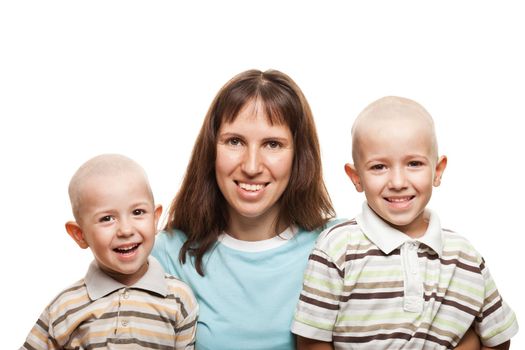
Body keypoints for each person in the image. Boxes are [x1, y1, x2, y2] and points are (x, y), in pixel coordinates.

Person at [292, 96, 518, 349]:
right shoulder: (336, 248)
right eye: (379, 167)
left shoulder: (465, 257)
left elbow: (498, 337)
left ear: (438, 170)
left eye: (414, 164)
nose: (398, 182)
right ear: (356, 177)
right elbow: (312, 343)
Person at [152, 69, 335, 349]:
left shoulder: (338, 245)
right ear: (211, 149)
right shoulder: (166, 254)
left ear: (299, 155)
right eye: (234, 141)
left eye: (273, 144)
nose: (251, 166)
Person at [22, 154, 198, 350]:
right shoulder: (64, 307)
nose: (126, 230)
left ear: (155, 219)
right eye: (107, 218)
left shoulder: (179, 299)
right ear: (80, 235)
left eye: (137, 212)